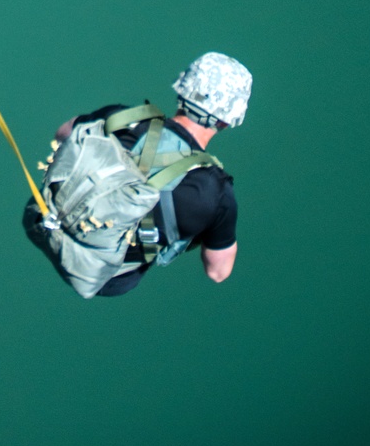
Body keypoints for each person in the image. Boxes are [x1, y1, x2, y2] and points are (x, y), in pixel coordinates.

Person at [24, 52, 251, 297]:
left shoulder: (120, 118)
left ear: (182, 90)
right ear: (228, 121)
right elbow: (218, 272)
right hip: (104, 278)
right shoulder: (215, 193)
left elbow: (62, 134)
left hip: (39, 219)